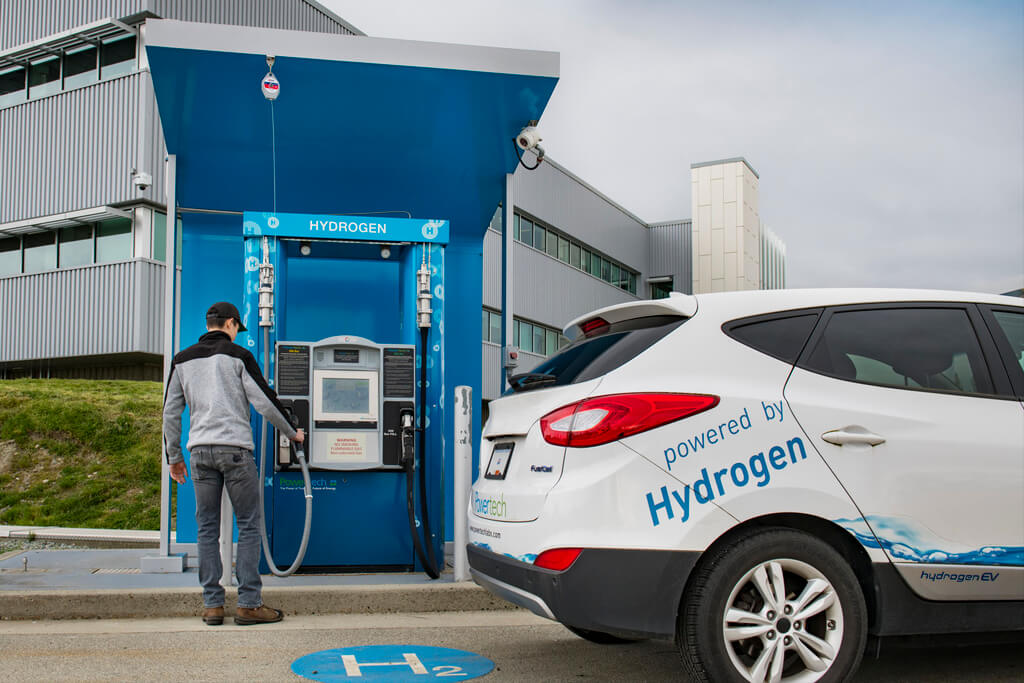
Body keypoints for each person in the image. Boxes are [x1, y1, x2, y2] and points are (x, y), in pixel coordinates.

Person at [162, 301, 304, 626]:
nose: (237, 335)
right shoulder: (239, 357)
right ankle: (249, 604)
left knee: (206, 528)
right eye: (236, 329)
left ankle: (212, 605)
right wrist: (292, 433)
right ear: (229, 324)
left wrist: (174, 458)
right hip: (236, 449)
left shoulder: (182, 360)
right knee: (250, 524)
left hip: (199, 452)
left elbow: (170, 412)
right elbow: (264, 401)